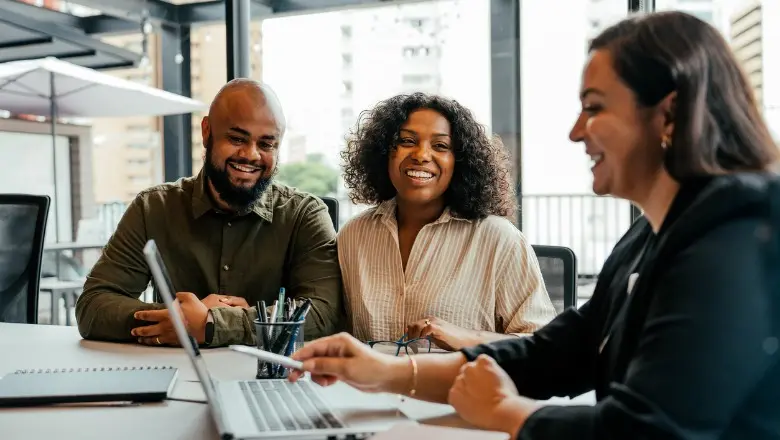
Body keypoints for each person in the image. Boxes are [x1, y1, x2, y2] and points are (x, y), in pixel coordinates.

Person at [288, 12, 780, 439]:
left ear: (668, 115)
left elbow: (648, 432)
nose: (575, 131)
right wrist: (385, 372)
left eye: (594, 107)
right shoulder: (649, 236)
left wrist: (509, 413)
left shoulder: (733, 238)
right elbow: (553, 354)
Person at [75, 79, 343, 347]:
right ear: (206, 132)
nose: (251, 155)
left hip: (268, 381)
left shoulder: (305, 215)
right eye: (237, 138)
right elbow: (93, 306)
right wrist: (177, 319)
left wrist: (213, 323)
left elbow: (323, 313)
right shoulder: (152, 208)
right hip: (173, 373)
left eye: (266, 144)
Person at [337, 93, 556, 351]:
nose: (421, 155)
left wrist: (467, 339)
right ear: (384, 152)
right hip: (368, 389)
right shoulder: (353, 235)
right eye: (407, 141)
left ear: (459, 162)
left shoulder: (499, 239)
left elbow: (544, 347)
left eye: (441, 146)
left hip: (459, 390)